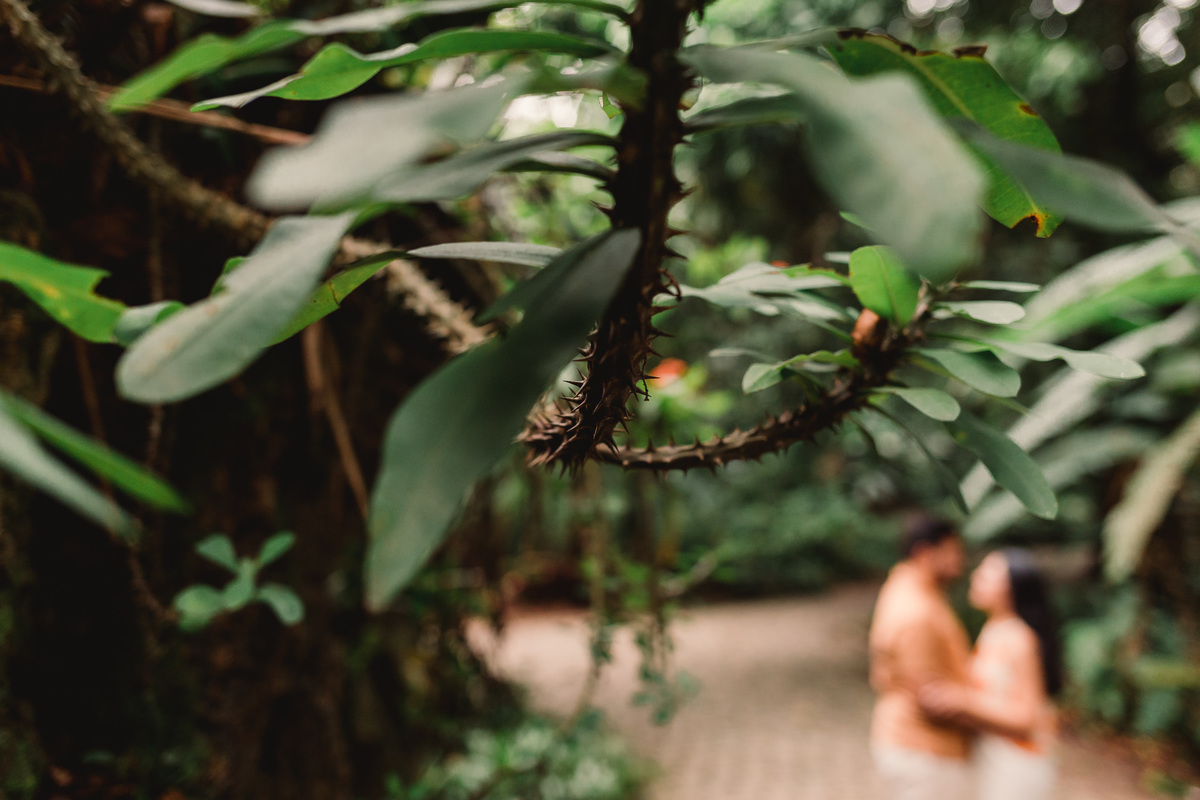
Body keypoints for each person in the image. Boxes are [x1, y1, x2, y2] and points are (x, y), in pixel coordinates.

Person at [919, 549, 1062, 800]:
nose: (976, 577)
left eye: (987, 574)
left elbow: (1028, 718)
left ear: (1011, 588)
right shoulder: (994, 631)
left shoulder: (1019, 639)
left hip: (1018, 763)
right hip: (995, 758)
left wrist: (963, 702)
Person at [869, 515, 972, 800]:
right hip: (923, 748)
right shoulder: (917, 611)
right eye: (952, 551)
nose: (959, 560)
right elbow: (930, 695)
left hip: (915, 744)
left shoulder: (911, 589)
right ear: (925, 553)